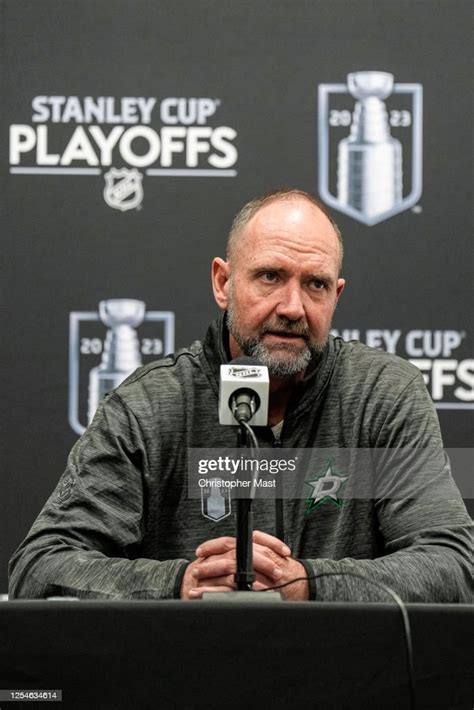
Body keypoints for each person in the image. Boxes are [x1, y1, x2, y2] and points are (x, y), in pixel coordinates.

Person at [9, 189, 473, 602]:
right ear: (223, 284)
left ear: (337, 295)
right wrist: (181, 584)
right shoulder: (147, 407)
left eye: (315, 284)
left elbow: (454, 564)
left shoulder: (382, 396)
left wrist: (310, 583)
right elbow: (41, 566)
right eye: (270, 276)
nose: (292, 308)